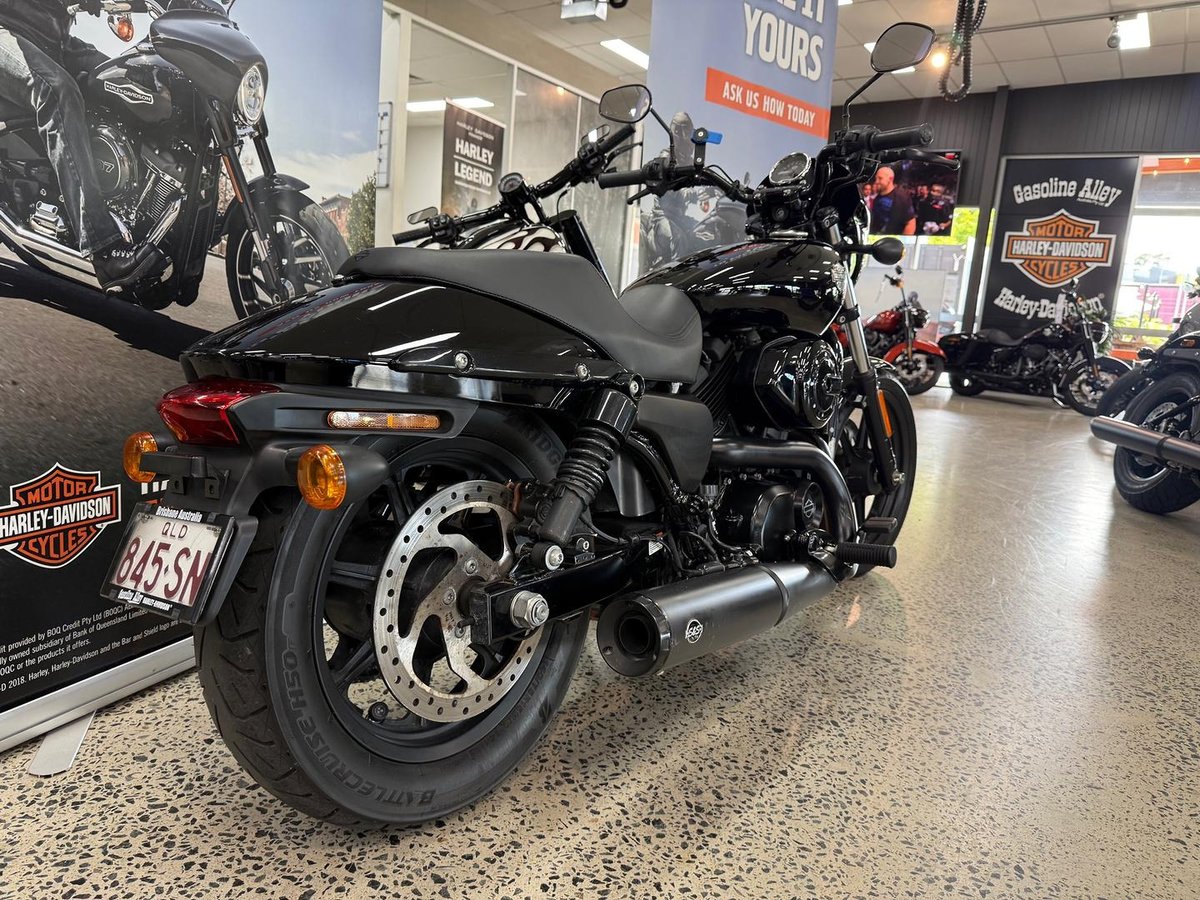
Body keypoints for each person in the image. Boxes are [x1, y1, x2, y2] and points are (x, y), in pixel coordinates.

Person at [0, 0, 167, 291]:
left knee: (129, 76)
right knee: (58, 91)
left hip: (54, 41)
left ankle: (148, 223)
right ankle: (101, 246)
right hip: (8, 31)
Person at [868, 166, 916, 236]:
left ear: (890, 179)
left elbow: (910, 223)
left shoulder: (901, 197)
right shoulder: (877, 198)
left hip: (893, 239)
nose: (876, 181)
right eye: (876, 178)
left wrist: (903, 240)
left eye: (880, 178)